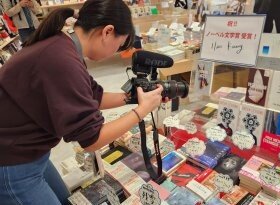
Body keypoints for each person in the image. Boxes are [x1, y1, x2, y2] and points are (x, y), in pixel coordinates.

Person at [0, 0, 164, 204]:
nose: (116, 51)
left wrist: (130, 98)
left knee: (70, 199)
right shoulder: (62, 59)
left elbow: (92, 96)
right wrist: (141, 110)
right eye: (119, 45)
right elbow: (92, 140)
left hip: (30, 151)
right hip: (11, 161)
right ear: (107, 32)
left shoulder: (63, 44)